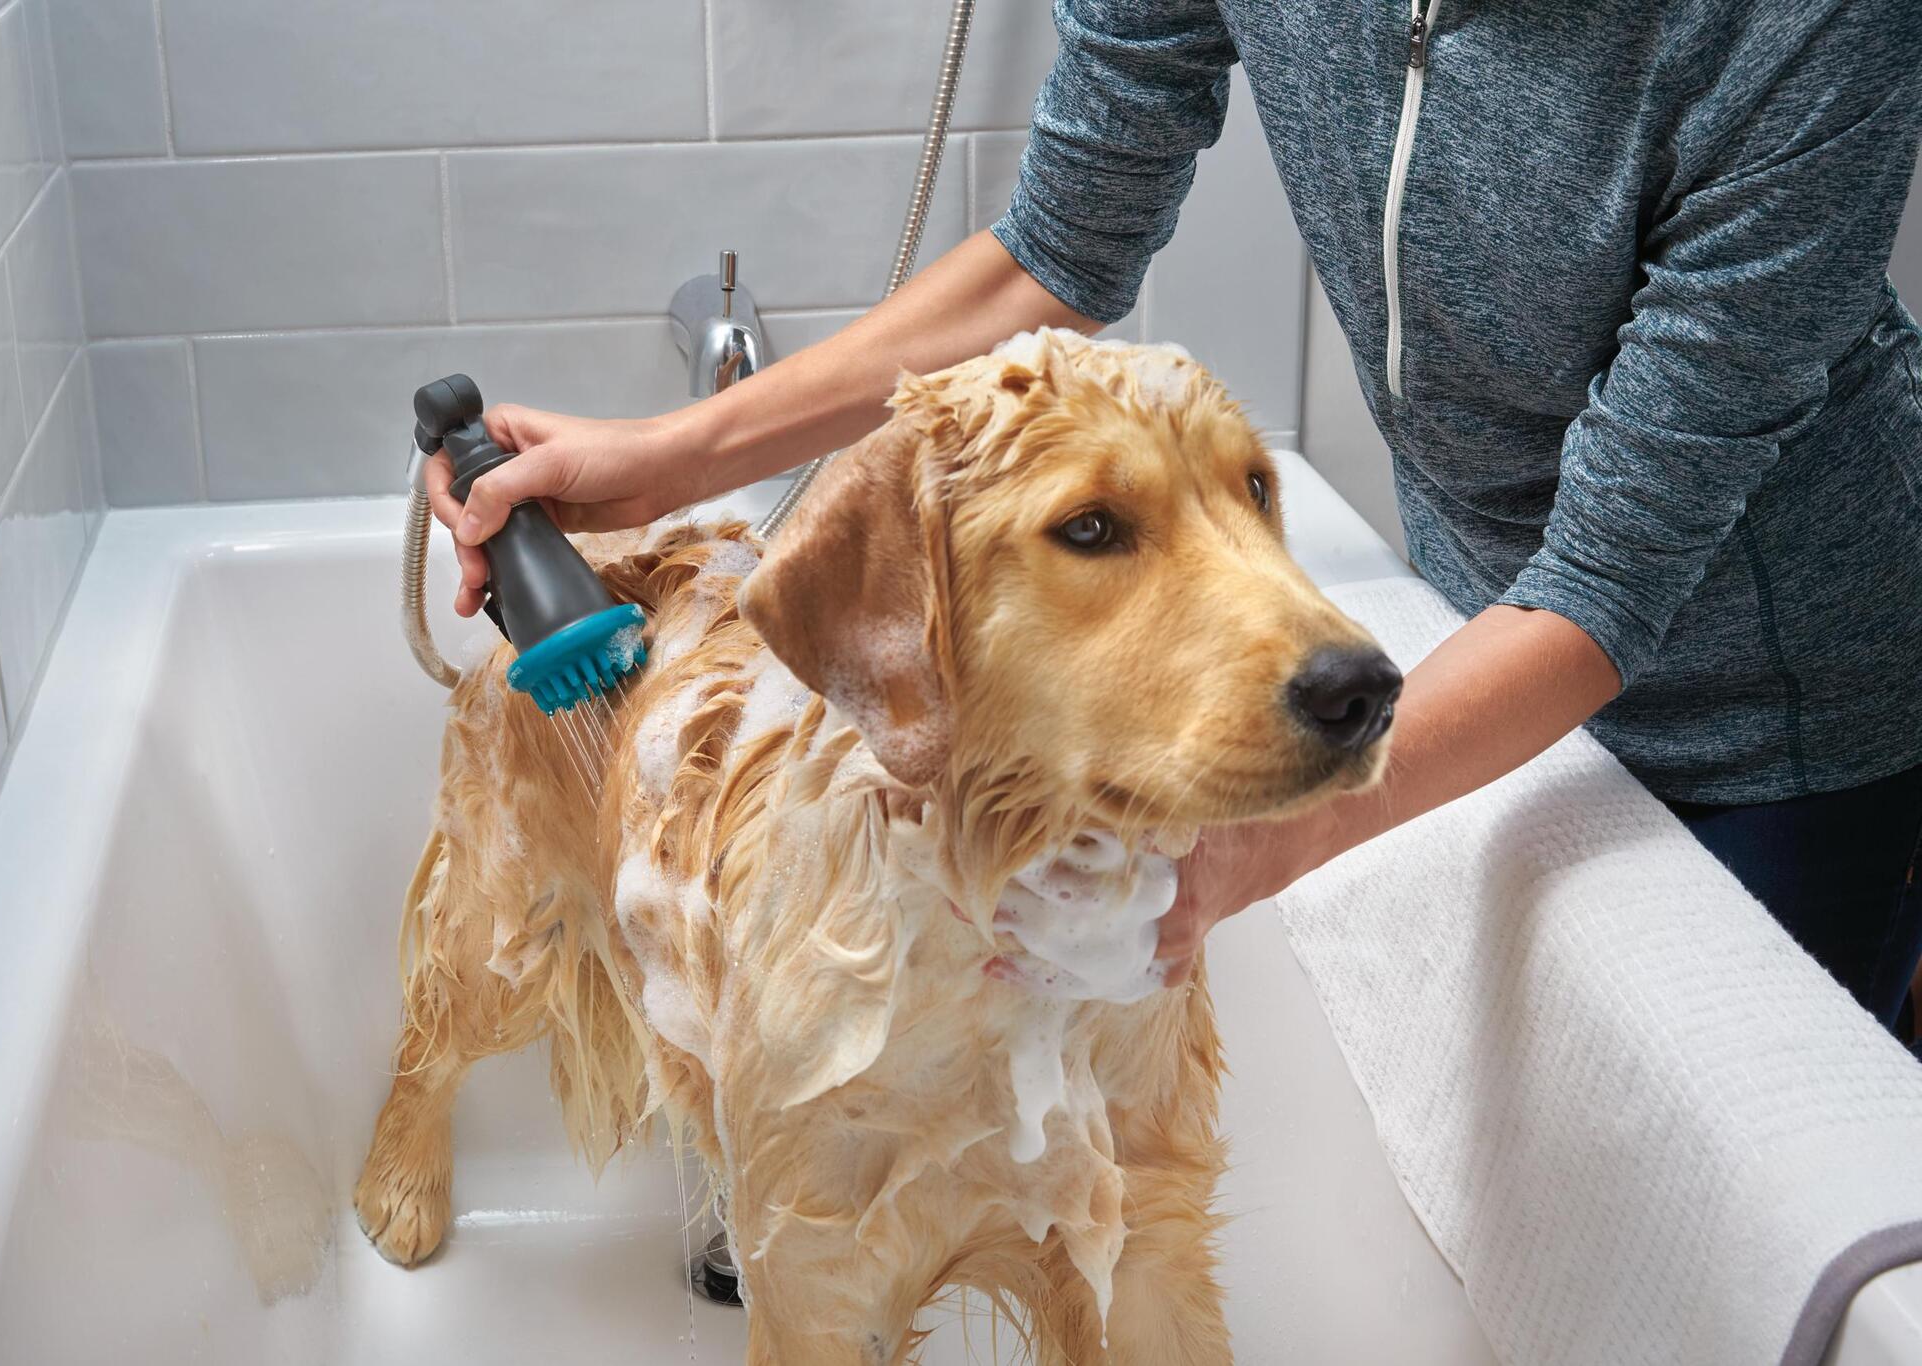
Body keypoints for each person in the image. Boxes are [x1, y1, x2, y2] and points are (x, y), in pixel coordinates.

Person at [425, 2, 1922, 1039]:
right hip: (1474, 616)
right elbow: (1059, 246)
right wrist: (667, 461)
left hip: (1783, 705)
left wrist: (1258, 852)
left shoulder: (1810, 24)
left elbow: (1609, 574)